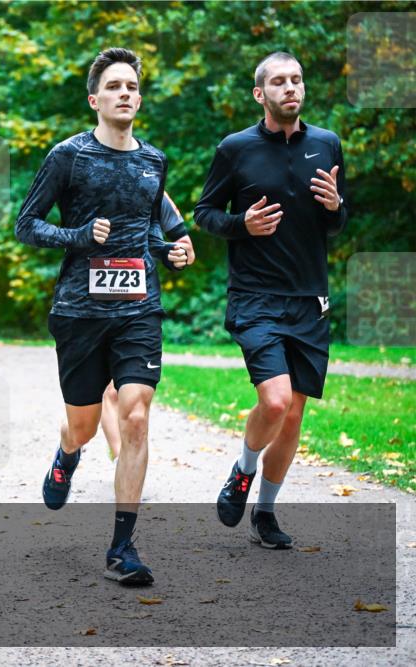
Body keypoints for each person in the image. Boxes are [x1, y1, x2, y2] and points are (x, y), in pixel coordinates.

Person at [15, 48, 192, 586]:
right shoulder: (68, 156)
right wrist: (77, 236)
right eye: (114, 86)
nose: (125, 94)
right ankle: (67, 454)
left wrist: (169, 250)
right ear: (95, 99)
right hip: (79, 311)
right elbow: (26, 225)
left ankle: (122, 547)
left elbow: (148, 226)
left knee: (136, 414)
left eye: (132, 87)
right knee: (85, 425)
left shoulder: (153, 161)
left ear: (139, 98)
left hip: (139, 309)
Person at [195, 51, 347, 549]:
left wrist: (336, 207)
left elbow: (336, 223)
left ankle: (265, 513)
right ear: (261, 94)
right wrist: (243, 225)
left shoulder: (327, 144)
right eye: (279, 81)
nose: (291, 88)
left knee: (294, 414)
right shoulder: (235, 149)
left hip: (309, 299)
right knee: (275, 400)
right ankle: (242, 471)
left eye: (297, 80)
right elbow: (205, 214)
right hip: (255, 296)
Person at [102, 192, 195, 460]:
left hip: (138, 306)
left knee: (121, 392)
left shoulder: (153, 188)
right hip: (91, 303)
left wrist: (176, 253)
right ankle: (74, 448)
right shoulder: (86, 174)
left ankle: (124, 460)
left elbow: (186, 248)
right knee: (98, 399)